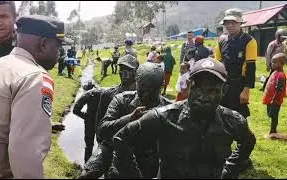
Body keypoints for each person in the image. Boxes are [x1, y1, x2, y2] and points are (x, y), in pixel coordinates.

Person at [113, 57, 256, 179]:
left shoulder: (233, 122)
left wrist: (229, 171)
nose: (203, 96)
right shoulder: (164, 116)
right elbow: (121, 139)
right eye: (198, 88)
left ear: (223, 91)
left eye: (212, 90)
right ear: (189, 86)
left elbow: (248, 142)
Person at [0, 15, 64, 178]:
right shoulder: (34, 76)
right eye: (58, 46)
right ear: (43, 44)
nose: (58, 53)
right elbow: (25, 152)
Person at [97, 62, 171, 178]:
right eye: (143, 88)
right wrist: (129, 118)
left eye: (152, 90)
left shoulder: (169, 109)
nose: (146, 94)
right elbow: (102, 130)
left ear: (161, 87)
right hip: (120, 167)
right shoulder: (121, 101)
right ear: (136, 83)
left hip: (151, 168)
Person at [79, 54, 139, 179]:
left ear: (136, 72)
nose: (124, 72)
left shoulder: (142, 94)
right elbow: (99, 124)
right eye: (121, 68)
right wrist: (103, 143)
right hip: (110, 143)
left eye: (128, 69)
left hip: (133, 146)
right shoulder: (108, 94)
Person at [214, 8, 257, 172]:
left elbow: (251, 67)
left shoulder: (249, 41)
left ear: (240, 23)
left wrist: (246, 90)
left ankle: (243, 154)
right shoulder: (221, 40)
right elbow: (217, 64)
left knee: (240, 118)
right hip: (223, 85)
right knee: (221, 116)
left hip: (239, 86)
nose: (229, 25)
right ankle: (224, 151)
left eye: (233, 22)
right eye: (227, 22)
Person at [73, 80, 104, 163]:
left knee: (89, 145)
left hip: (90, 122)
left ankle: (86, 165)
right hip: (102, 122)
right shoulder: (104, 92)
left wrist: (86, 117)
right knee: (103, 145)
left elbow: (75, 110)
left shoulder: (87, 94)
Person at [262, 53, 287, 138]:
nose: (272, 64)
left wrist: (274, 99)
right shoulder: (274, 72)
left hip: (275, 100)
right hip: (270, 99)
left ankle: (273, 131)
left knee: (274, 116)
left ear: (281, 63)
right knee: (270, 114)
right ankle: (272, 130)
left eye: (274, 62)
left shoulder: (281, 75)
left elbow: (279, 89)